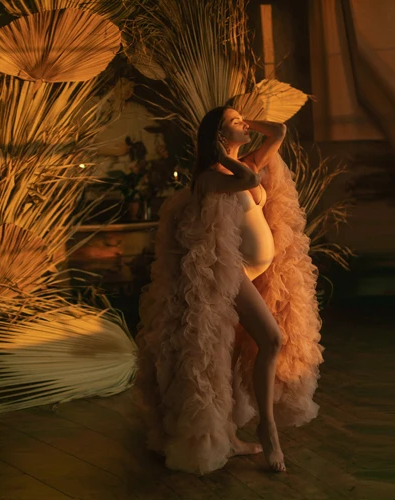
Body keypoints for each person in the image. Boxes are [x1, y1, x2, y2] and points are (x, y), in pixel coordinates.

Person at [135, 106, 324, 475]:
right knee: (271, 338)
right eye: (236, 123)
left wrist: (244, 122)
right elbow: (248, 180)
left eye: (243, 121)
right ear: (219, 137)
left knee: (234, 352)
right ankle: (267, 429)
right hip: (229, 274)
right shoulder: (210, 177)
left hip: (253, 274)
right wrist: (220, 154)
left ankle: (232, 437)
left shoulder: (245, 162)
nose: (245, 125)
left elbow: (279, 132)